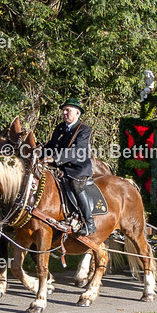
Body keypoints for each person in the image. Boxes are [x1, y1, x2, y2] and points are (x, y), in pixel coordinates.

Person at [43, 97, 96, 235]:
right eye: (63, 110)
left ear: (77, 113)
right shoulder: (60, 128)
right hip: (59, 167)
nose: (64, 113)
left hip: (77, 168)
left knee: (76, 186)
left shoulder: (84, 130)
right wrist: (38, 154)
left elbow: (77, 150)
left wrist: (55, 158)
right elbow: (51, 145)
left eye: (68, 110)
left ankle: (89, 223)